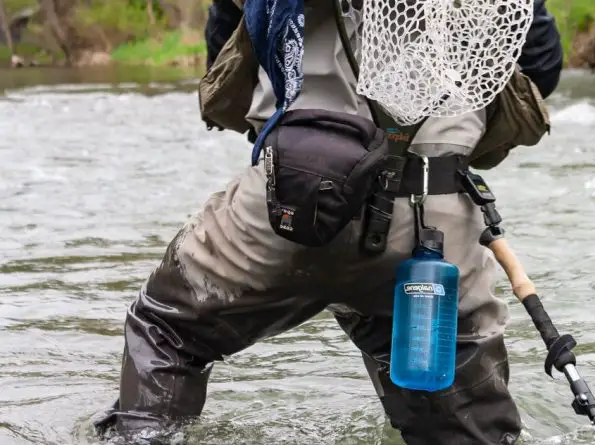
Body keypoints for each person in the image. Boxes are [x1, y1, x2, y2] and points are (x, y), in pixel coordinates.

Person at [93, 0, 563, 443]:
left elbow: (224, 56)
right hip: (430, 219)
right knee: (464, 424)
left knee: (167, 331)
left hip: (285, 198)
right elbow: (540, 67)